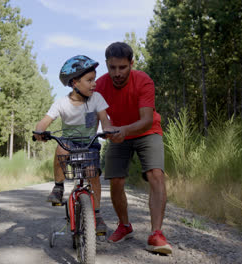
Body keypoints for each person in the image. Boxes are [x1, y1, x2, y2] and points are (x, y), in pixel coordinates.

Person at [95, 42, 173, 255]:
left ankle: (156, 233)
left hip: (147, 131)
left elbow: (146, 120)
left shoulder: (144, 81)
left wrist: (123, 131)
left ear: (131, 64)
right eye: (112, 68)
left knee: (155, 174)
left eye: (122, 67)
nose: (117, 73)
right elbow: (96, 116)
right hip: (118, 134)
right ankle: (125, 226)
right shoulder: (100, 85)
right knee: (116, 180)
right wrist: (98, 135)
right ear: (106, 65)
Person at [33, 55, 112, 235]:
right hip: (69, 143)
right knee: (60, 147)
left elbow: (105, 120)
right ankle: (58, 187)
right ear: (75, 82)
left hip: (90, 143)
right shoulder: (62, 103)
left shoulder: (97, 98)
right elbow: (44, 122)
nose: (94, 84)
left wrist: (108, 130)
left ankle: (97, 213)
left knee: (92, 174)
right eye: (89, 80)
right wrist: (40, 131)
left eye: (95, 79)